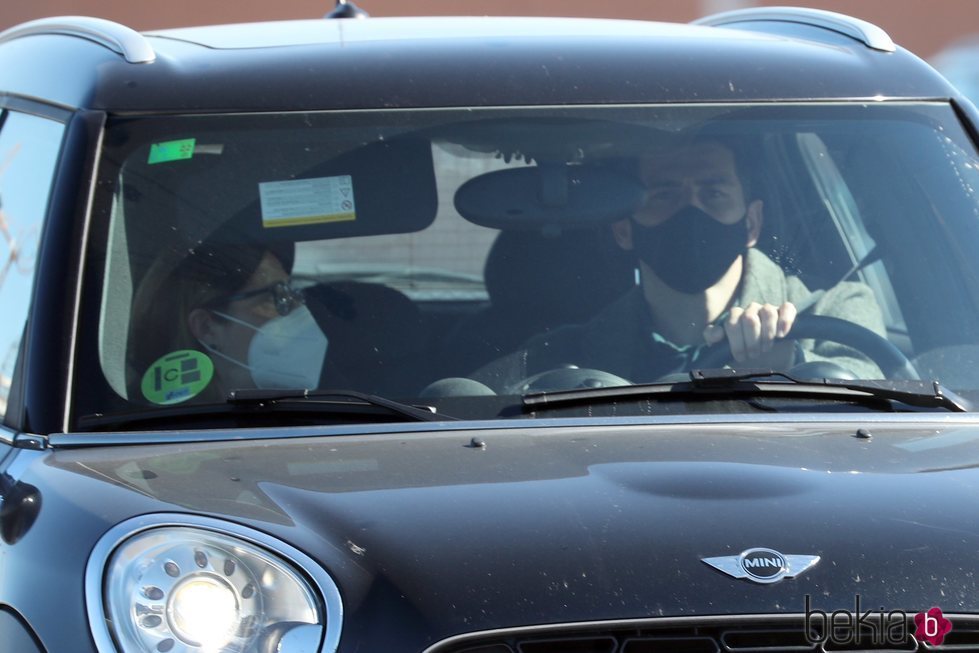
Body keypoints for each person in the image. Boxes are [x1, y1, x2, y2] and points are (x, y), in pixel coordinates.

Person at [472, 135, 886, 390]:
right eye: (665, 194)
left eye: (713, 193)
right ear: (624, 230)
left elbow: (887, 406)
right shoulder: (566, 357)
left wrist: (792, 370)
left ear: (752, 222)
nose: (691, 213)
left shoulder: (837, 312)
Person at [128, 233, 328, 404]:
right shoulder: (164, 432)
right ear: (207, 328)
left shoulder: (336, 411)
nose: (298, 308)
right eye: (273, 297)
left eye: (291, 291)